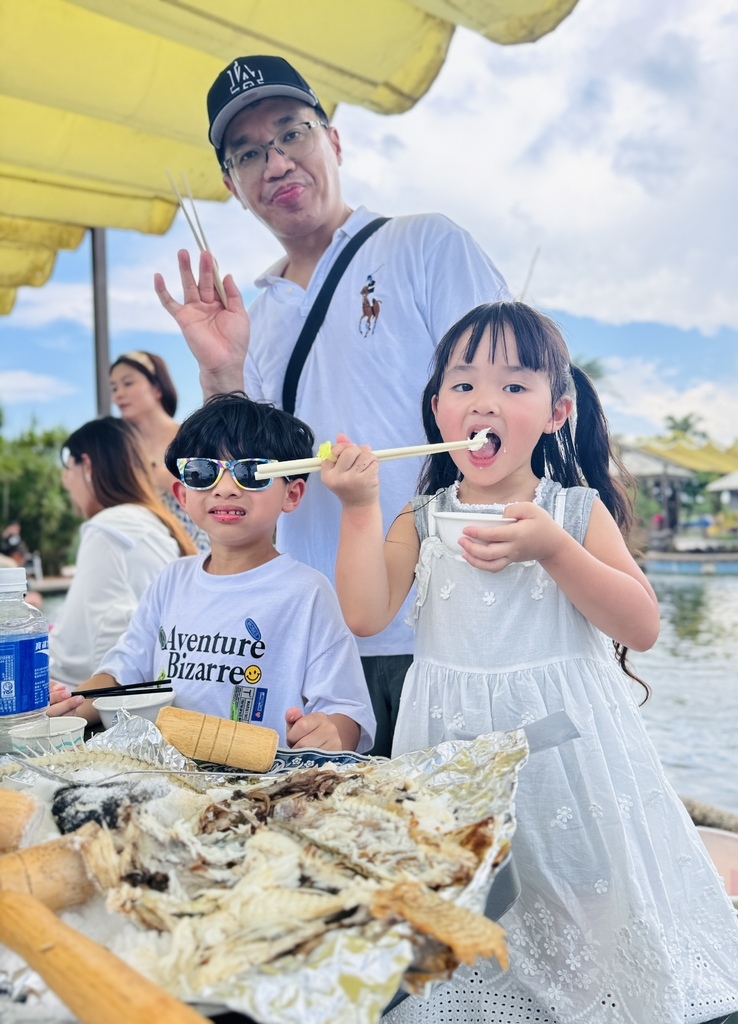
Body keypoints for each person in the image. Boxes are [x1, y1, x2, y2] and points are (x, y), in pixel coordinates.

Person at [321, 302, 738, 1024]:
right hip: (452, 755)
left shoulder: (575, 511)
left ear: (557, 412)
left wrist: (556, 549)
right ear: (438, 411)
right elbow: (366, 612)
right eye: (462, 386)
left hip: (568, 756)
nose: (484, 401)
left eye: (514, 386)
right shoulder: (420, 516)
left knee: (583, 907)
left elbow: (641, 624)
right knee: (476, 919)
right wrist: (360, 507)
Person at [154, 54, 511, 756]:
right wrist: (224, 371)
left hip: (449, 630)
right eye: (250, 152)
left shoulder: (424, 246)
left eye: (292, 133)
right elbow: (242, 474)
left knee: (467, 850)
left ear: (334, 140)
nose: (276, 162)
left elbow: (507, 421)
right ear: (232, 183)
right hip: (313, 648)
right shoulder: (254, 315)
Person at [51, 394, 375, 754]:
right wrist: (67, 705)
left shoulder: (307, 593)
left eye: (251, 473)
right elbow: (121, 675)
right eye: (203, 473)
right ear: (182, 493)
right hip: (164, 778)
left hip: (261, 787)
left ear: (292, 494)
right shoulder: (170, 581)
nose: (225, 487)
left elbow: (347, 712)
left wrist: (331, 732)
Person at [48, 417, 197, 690]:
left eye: (68, 467)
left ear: (88, 465)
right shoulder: (154, 521)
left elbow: (93, 646)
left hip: (94, 700)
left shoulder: (108, 527)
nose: (64, 480)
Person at [109, 350, 209, 551]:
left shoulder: (191, 437)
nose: (118, 394)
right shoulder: (121, 450)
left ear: (157, 387)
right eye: (113, 388)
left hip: (199, 553)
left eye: (128, 383)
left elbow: (218, 489)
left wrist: (166, 479)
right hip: (144, 555)